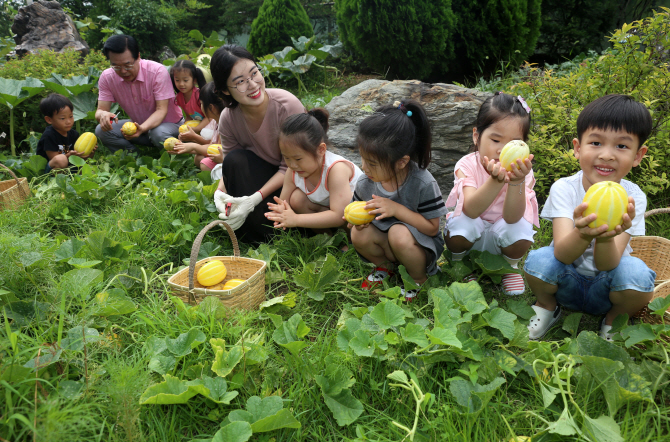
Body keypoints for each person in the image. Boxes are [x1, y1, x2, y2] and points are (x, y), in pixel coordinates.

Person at [523, 94, 656, 341]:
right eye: (596, 143)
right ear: (577, 148)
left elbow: (609, 265)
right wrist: (582, 233)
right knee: (538, 261)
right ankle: (547, 306)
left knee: (639, 277)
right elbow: (562, 254)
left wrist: (606, 237)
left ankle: (613, 320)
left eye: (622, 146)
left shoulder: (632, 198)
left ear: (638, 155)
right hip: (566, 281)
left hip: (608, 288)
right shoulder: (565, 188)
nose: (607, 155)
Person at [349, 100, 448, 302]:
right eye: (362, 159)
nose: (364, 168)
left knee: (398, 233)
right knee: (357, 235)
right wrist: (357, 223)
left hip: (420, 246)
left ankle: (418, 278)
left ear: (401, 162)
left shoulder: (422, 183)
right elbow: (354, 215)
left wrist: (396, 209)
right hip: (387, 242)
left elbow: (432, 229)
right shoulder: (365, 182)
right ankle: (387, 267)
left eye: (372, 163)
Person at [444, 92, 538, 296]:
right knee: (461, 222)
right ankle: (461, 263)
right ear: (476, 136)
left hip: (501, 238)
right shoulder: (466, 165)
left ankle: (508, 267)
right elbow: (470, 209)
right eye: (495, 140)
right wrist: (495, 182)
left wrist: (516, 181)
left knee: (521, 226)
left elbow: (512, 218)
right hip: (470, 238)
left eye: (513, 143)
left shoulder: (523, 172)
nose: (502, 150)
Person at [210, 44, 306, 243]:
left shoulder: (287, 106)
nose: (252, 85)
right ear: (225, 91)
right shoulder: (228, 117)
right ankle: (253, 231)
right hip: (262, 178)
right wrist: (219, 192)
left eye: (254, 73)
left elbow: (291, 166)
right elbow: (230, 162)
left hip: (295, 179)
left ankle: (274, 231)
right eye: (240, 82)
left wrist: (254, 199)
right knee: (236, 160)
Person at [264, 109, 364, 232]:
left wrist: (295, 219)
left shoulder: (336, 169)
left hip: (358, 218)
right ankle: (328, 239)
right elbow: (284, 202)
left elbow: (340, 215)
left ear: (321, 150)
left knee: (354, 220)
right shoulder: (293, 171)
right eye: (286, 157)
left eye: (298, 158)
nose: (292, 165)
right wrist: (280, 212)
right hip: (331, 211)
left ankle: (348, 239)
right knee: (296, 199)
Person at [94, 34, 184, 153]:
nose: (123, 71)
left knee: (157, 132)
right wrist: (103, 115)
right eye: (116, 66)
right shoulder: (107, 77)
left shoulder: (157, 71)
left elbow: (161, 110)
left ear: (138, 56)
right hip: (139, 127)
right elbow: (100, 110)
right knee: (101, 130)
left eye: (128, 65)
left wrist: (142, 129)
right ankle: (133, 156)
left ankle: (177, 156)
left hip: (169, 127)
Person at [173, 82, 225, 176]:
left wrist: (194, 145)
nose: (201, 107)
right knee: (198, 158)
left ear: (211, 108)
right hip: (221, 156)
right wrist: (186, 147)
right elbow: (211, 146)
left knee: (204, 164)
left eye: (201, 104)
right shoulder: (216, 121)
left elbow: (217, 149)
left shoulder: (224, 125)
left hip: (226, 159)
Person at [37, 93, 96, 173]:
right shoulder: (49, 135)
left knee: (89, 170)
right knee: (61, 159)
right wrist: (69, 156)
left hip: (68, 168)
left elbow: (80, 159)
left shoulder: (74, 134)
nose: (68, 121)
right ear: (49, 120)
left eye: (71, 116)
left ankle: (72, 178)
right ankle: (55, 181)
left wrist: (89, 153)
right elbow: (56, 160)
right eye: (62, 118)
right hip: (50, 170)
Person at [170, 60, 209, 138]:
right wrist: (184, 129)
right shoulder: (179, 97)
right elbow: (189, 116)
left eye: (185, 80)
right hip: (197, 127)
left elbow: (209, 117)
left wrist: (196, 129)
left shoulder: (199, 95)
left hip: (211, 126)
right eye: (177, 80)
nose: (181, 84)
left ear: (194, 80)